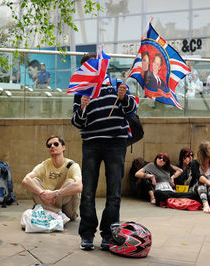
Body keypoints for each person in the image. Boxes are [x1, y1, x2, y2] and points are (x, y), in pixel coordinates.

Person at [72, 53, 138, 251]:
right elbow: (76, 121)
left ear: (102, 66)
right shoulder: (81, 91)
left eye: (93, 65)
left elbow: (131, 109)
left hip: (116, 144)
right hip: (91, 144)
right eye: (86, 67)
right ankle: (87, 234)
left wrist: (123, 97)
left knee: (114, 192)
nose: (89, 70)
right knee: (88, 191)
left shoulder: (118, 83)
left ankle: (109, 235)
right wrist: (82, 109)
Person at [21, 136, 82, 225]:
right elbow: (25, 180)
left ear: (63, 147)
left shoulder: (72, 165)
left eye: (56, 144)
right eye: (49, 145)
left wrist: (54, 193)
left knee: (72, 182)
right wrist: (42, 193)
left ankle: (52, 212)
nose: (52, 146)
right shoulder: (45, 164)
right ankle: (56, 213)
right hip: (49, 202)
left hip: (67, 211)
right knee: (33, 181)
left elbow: (79, 186)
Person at [190, 141, 210, 213]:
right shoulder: (194, 163)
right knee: (203, 182)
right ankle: (206, 205)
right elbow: (198, 176)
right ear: (206, 151)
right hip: (196, 191)